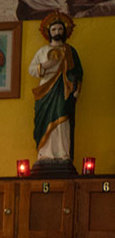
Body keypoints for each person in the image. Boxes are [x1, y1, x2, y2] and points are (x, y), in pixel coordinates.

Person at [29, 11, 82, 169]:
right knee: (45, 121)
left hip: (64, 90)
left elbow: (78, 72)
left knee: (62, 120)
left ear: (64, 31)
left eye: (60, 29)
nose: (57, 32)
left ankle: (62, 154)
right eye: (54, 30)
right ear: (48, 33)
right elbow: (31, 70)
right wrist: (44, 66)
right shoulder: (42, 51)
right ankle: (45, 154)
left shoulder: (70, 51)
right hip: (46, 90)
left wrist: (77, 88)